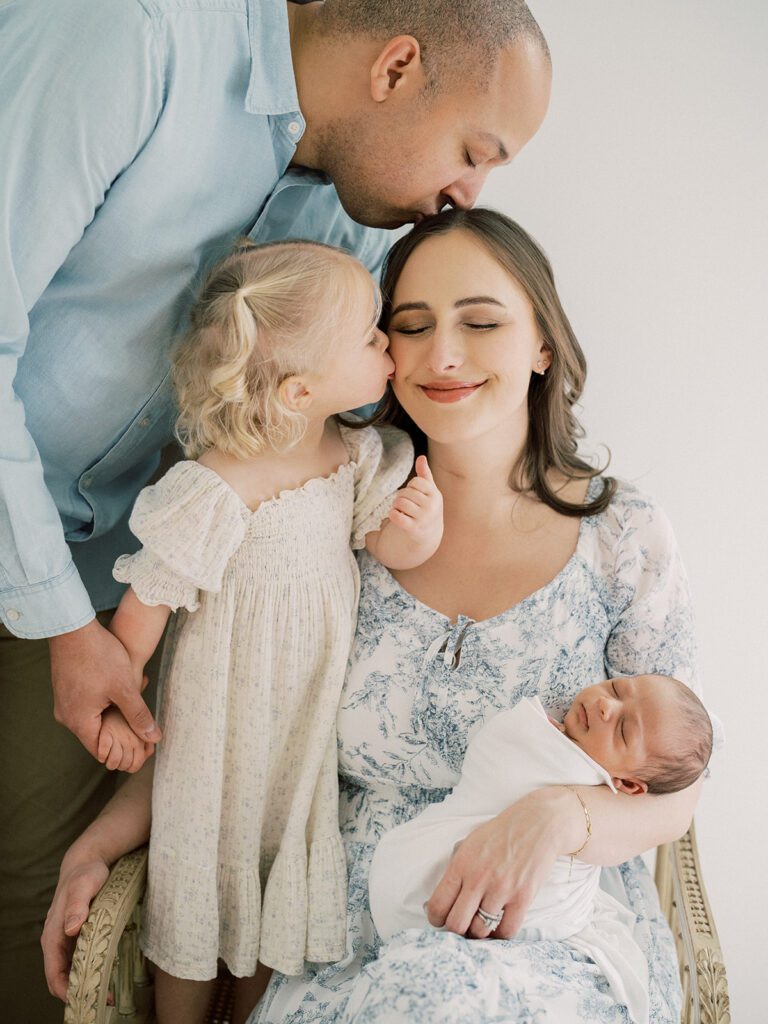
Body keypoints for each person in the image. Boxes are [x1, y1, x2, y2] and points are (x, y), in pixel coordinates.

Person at [0, 1, 551, 1016]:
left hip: (101, 592)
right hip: (45, 570)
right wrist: (62, 618)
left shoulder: (357, 212)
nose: (463, 194)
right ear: (395, 66)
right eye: (475, 153)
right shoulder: (131, 34)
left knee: (36, 907)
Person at [43, 208, 707, 1024]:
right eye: (411, 326)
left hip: (547, 932)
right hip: (340, 933)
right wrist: (100, 844)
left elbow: (678, 789)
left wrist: (559, 815)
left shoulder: (626, 537)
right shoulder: (334, 517)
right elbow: (227, 715)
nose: (443, 355)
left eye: (482, 322)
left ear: (543, 343)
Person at [96, 237, 443, 1022]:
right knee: (199, 893)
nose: (388, 344)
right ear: (297, 390)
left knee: (272, 904)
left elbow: (384, 542)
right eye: (370, 337)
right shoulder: (219, 483)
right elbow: (148, 601)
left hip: (304, 731)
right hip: (217, 736)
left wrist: (413, 534)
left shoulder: (353, 456)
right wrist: (120, 703)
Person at [368, 675, 713, 1024]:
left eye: (624, 730)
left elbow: (679, 799)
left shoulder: (599, 779)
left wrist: (560, 815)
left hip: (539, 921)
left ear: (626, 785)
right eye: (616, 689)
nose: (607, 705)